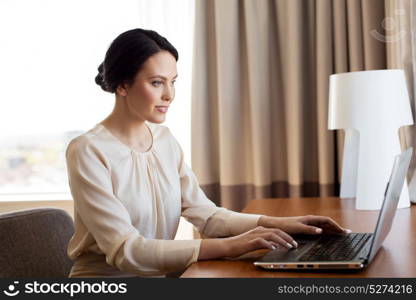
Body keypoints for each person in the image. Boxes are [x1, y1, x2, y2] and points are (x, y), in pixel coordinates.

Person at [65, 28, 350, 278]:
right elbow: (127, 251)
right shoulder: (88, 151)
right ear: (123, 85)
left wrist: (280, 223)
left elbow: (207, 215)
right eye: (156, 82)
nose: (169, 95)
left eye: (173, 81)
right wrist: (231, 245)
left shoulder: (164, 140)